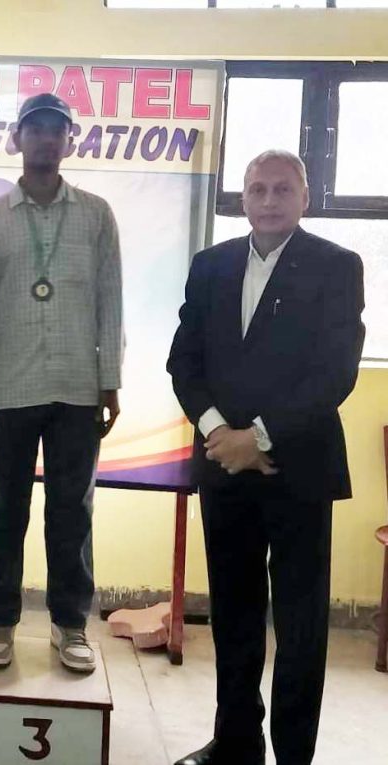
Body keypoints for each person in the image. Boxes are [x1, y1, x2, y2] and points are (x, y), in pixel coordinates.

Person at [167, 149, 364, 765]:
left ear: (305, 196)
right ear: (243, 199)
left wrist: (259, 437)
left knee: (301, 626)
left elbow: (334, 373)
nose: (270, 200)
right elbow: (184, 361)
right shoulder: (211, 265)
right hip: (225, 468)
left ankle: (294, 755)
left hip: (297, 470)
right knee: (234, 613)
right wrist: (220, 434)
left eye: (283, 189)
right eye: (259, 189)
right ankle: (236, 743)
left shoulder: (336, 266)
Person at [0, 94, 123, 674]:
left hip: (78, 387)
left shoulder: (96, 214)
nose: (47, 139)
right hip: (9, 387)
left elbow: (110, 302)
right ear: (17, 140)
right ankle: (0, 621)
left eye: (57, 130)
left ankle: (69, 624)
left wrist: (110, 383)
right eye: (36, 130)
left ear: (70, 141)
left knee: (72, 511)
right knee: (5, 509)